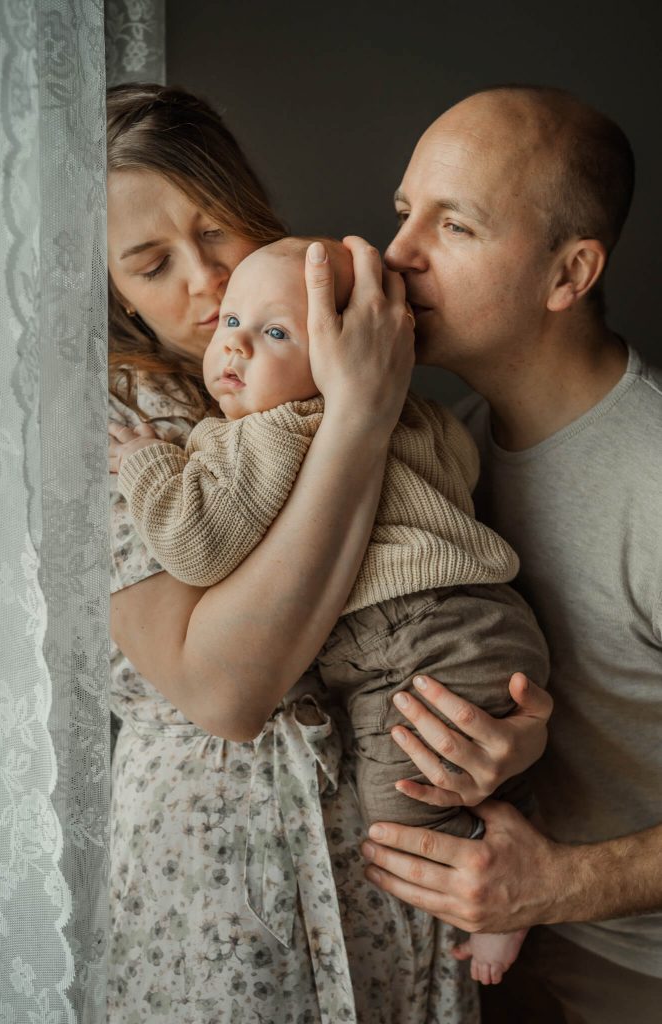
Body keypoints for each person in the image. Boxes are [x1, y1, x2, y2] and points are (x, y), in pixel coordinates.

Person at [105, 83, 480, 1023]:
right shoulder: (112, 426)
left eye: (218, 231)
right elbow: (227, 694)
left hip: (385, 842)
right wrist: (358, 411)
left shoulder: (310, 344)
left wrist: (493, 736)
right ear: (110, 289)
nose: (202, 282)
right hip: (225, 880)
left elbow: (435, 569)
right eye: (152, 265)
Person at [110, 234, 550, 986]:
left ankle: (503, 903)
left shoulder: (274, 430)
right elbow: (459, 471)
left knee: (402, 807)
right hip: (485, 620)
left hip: (412, 639)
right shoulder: (418, 413)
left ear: (339, 353)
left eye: (274, 332)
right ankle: (507, 826)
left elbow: (200, 544)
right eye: (231, 327)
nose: (233, 342)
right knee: (448, 764)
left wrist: (149, 463)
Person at [359, 85, 662, 1023]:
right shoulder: (445, 450)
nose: (396, 256)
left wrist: (556, 886)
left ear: (567, 275)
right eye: (406, 213)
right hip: (483, 958)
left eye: (455, 226)